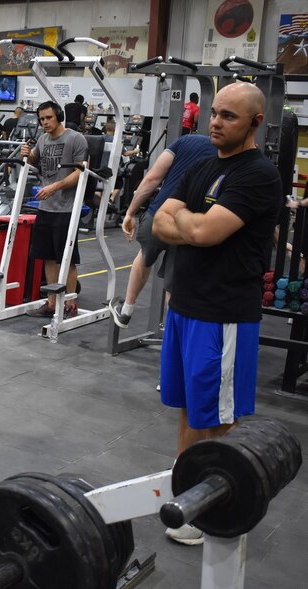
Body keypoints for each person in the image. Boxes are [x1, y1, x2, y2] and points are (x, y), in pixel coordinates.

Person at [152, 82, 281, 545]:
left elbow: (202, 230)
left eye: (228, 116)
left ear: (254, 123)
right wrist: (192, 226)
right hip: (185, 307)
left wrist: (188, 224)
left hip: (223, 315)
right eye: (215, 113)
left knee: (219, 418)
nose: (216, 122)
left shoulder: (259, 175)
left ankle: (208, 508)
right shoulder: (203, 164)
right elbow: (160, 221)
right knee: (189, 410)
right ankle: (186, 489)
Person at [108, 133, 217, 328]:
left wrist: (130, 212)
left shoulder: (184, 141)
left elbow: (152, 179)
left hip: (160, 215)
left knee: (144, 257)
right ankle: (170, 330)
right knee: (174, 275)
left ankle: (126, 311)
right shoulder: (224, 153)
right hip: (188, 222)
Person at [21, 101, 89, 319]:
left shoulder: (75, 139)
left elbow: (80, 173)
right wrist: (27, 154)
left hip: (66, 208)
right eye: (41, 119)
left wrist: (55, 186)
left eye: (49, 118)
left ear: (58, 116)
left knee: (66, 258)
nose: (45, 122)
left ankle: (70, 304)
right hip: (46, 207)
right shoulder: (42, 139)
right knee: (48, 257)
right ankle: (51, 304)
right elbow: (34, 160)